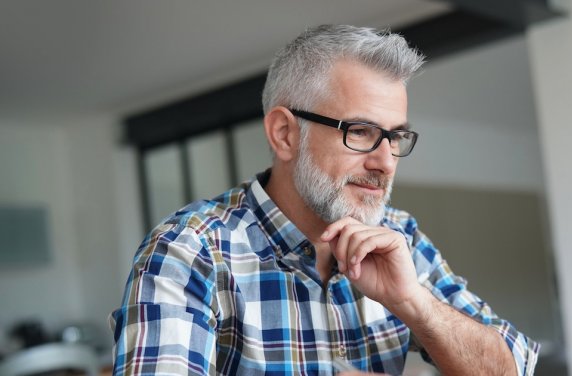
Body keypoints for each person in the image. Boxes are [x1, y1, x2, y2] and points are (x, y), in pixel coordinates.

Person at [110, 25, 539, 375]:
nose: (386, 162)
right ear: (284, 134)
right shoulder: (189, 250)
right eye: (362, 132)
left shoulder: (398, 235)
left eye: (395, 137)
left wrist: (414, 303)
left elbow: (512, 368)